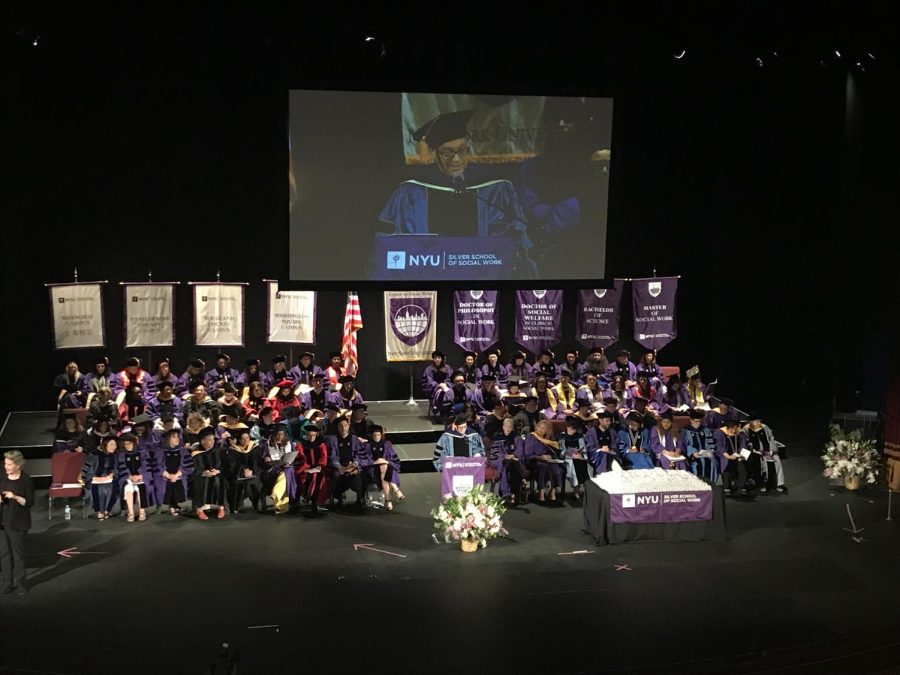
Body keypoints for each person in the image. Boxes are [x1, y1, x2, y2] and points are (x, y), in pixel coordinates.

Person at [379, 109, 533, 266]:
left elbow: (513, 239)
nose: (456, 159)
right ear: (434, 152)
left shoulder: (495, 188)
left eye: (461, 150)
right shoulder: (411, 191)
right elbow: (391, 243)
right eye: (447, 152)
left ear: (469, 146)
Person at [1, 450, 35, 595]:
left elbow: (29, 502)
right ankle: (7, 583)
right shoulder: (2, 477)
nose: (6, 467)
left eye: (9, 464)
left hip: (17, 522)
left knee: (18, 555)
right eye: (5, 464)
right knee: (4, 554)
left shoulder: (26, 480)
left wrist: (14, 496)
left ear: (18, 465)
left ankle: (21, 584)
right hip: (2, 521)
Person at [359, 425, 403, 511]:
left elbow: (394, 459)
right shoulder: (367, 445)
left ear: (381, 435)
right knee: (385, 468)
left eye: (378, 435)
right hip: (372, 469)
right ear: (372, 435)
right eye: (374, 435)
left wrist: (385, 461)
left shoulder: (386, 445)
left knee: (384, 466)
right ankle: (395, 491)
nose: (376, 437)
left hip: (386, 468)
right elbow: (363, 460)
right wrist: (375, 462)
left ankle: (388, 500)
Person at [327, 417, 366, 510]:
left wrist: (355, 464)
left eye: (345, 425)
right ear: (337, 427)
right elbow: (332, 456)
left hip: (352, 465)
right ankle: (335, 497)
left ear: (348, 426)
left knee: (358, 474)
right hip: (339, 466)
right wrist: (339, 466)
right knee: (336, 475)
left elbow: (358, 454)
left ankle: (359, 499)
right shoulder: (333, 439)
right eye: (340, 426)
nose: (343, 428)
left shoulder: (354, 439)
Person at [523, 419, 564, 503]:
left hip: (548, 462)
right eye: (539, 427)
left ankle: (552, 491)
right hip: (534, 461)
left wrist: (549, 456)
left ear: (547, 430)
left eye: (543, 428)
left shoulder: (549, 439)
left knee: (555, 467)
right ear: (536, 427)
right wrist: (540, 457)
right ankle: (541, 492)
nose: (541, 430)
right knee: (543, 466)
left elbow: (555, 453)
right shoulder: (531, 437)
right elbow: (528, 454)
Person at [225, 428, 264, 514]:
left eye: (248, 438)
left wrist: (252, 471)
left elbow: (257, 462)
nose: (246, 440)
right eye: (243, 438)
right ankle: (236, 506)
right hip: (238, 475)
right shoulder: (233, 449)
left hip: (252, 473)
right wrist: (242, 471)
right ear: (239, 439)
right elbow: (232, 464)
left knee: (256, 482)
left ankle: (257, 505)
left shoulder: (254, 448)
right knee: (237, 484)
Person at [489, 417, 528, 503]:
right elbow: (494, 453)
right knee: (507, 463)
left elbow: (520, 451)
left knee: (513, 464)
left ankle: (509, 493)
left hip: (513, 460)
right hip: (499, 460)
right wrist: (505, 456)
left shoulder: (516, 438)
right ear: (503, 427)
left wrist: (513, 455)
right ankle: (521, 481)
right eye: (506, 426)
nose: (508, 429)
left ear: (512, 427)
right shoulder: (497, 437)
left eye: (510, 427)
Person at [191, 427, 227, 519]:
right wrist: (203, 472)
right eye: (209, 440)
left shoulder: (219, 451)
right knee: (203, 481)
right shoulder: (196, 453)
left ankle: (221, 508)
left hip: (217, 474)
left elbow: (226, 465)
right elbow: (192, 469)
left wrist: (219, 471)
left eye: (213, 439)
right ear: (203, 441)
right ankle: (200, 510)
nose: (212, 442)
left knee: (219, 480)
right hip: (201, 476)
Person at [744, 413, 786, 492]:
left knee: (777, 461)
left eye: (759, 421)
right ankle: (764, 484)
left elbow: (771, 439)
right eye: (756, 421)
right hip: (755, 452)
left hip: (767, 451)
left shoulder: (764, 427)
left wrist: (772, 450)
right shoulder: (746, 429)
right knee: (762, 465)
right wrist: (754, 451)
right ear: (751, 422)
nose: (759, 423)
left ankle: (779, 484)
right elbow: (745, 443)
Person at [292, 425, 330, 510]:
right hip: (305, 468)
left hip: (319, 468)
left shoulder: (321, 445)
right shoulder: (301, 445)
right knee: (308, 476)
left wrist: (319, 466)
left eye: (313, 435)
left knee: (318, 476)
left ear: (317, 434)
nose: (311, 438)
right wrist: (306, 467)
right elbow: (300, 458)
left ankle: (315, 501)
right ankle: (308, 497)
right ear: (306, 435)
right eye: (309, 435)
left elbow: (323, 458)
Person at [83, 436, 120, 520]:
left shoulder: (115, 455)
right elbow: (86, 470)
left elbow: (117, 469)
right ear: (105, 444)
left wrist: (112, 474)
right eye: (111, 444)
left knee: (111, 486)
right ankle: (99, 511)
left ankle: (108, 510)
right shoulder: (93, 455)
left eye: (115, 444)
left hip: (109, 478)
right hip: (94, 478)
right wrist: (93, 477)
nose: (114, 446)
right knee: (99, 488)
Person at [158, 428, 193, 517]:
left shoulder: (183, 450)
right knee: (168, 485)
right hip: (165, 477)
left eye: (178, 436)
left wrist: (176, 475)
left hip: (179, 475)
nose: (177, 439)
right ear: (168, 439)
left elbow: (188, 465)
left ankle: (175, 505)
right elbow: (157, 466)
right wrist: (168, 475)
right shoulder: (160, 451)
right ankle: (172, 505)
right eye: (174, 437)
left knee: (177, 483)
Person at [117, 433, 149, 522]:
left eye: (129, 443)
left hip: (141, 477)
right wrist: (129, 476)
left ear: (134, 443)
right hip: (128, 478)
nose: (127, 445)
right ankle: (131, 513)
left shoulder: (142, 453)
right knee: (128, 488)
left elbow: (146, 466)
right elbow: (122, 468)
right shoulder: (121, 455)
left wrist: (141, 475)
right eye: (125, 443)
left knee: (141, 487)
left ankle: (142, 512)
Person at [558, 416, 590, 501]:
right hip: (566, 459)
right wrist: (568, 453)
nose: (573, 431)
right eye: (571, 429)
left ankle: (577, 490)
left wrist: (581, 455)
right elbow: (560, 450)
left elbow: (583, 449)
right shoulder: (562, 437)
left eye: (575, 430)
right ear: (567, 427)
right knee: (573, 465)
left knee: (581, 463)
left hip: (578, 458)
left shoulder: (579, 436)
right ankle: (576, 491)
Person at [682, 409, 719, 483]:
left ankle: (711, 484)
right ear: (691, 420)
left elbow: (710, 444)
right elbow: (684, 444)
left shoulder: (705, 430)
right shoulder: (685, 431)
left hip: (705, 453)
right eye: (696, 421)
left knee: (712, 460)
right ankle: (697, 484)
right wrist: (693, 452)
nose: (698, 423)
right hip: (693, 455)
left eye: (699, 421)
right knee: (698, 463)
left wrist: (710, 451)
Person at [716, 419, 749, 495]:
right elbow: (719, 446)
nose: (734, 431)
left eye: (735, 429)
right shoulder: (720, 432)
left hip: (737, 454)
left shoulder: (741, 433)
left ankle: (741, 486)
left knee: (742, 467)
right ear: (727, 427)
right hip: (725, 454)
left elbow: (743, 446)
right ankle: (727, 487)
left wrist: (741, 456)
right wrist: (728, 456)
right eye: (732, 429)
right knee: (726, 466)